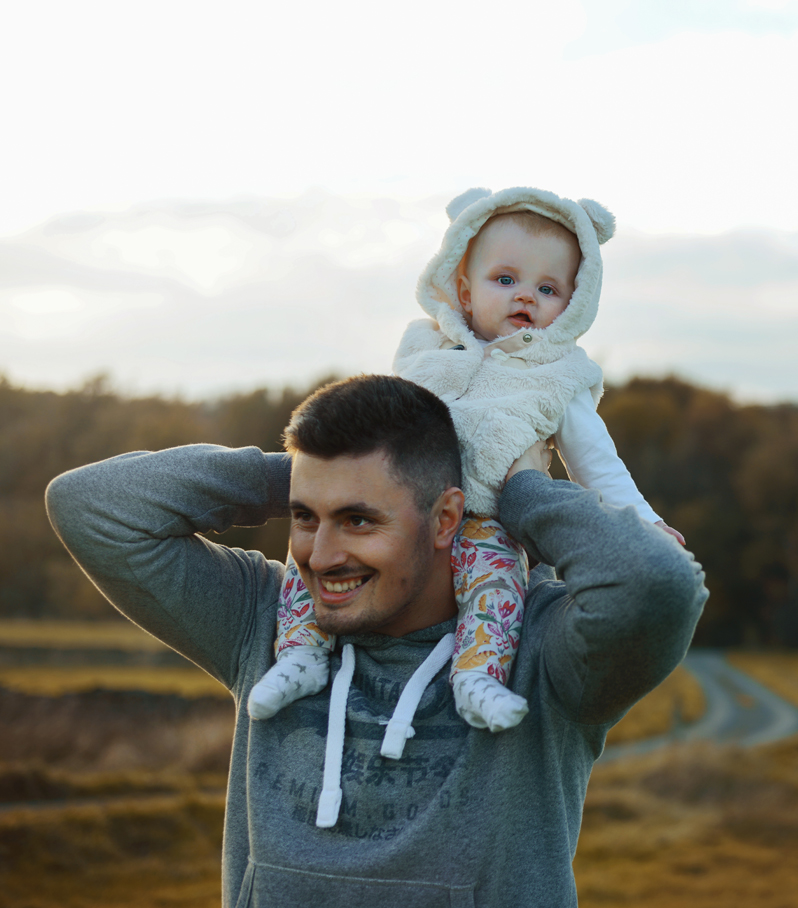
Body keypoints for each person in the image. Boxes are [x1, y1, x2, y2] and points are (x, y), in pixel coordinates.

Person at [45, 373, 707, 907]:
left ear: (448, 516)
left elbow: (656, 582)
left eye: (358, 519)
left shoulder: (543, 652)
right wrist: (305, 476)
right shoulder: (265, 621)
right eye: (306, 518)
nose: (321, 555)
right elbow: (91, 505)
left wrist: (513, 490)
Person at [248, 187, 683, 736]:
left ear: (574, 304)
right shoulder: (423, 352)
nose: (525, 297)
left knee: (497, 584)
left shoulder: (559, 377)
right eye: (505, 280)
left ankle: (477, 676)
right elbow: (375, 432)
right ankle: (299, 655)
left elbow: (598, 464)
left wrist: (645, 523)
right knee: (316, 558)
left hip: (486, 519)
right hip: (404, 510)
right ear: (463, 288)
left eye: (548, 289)